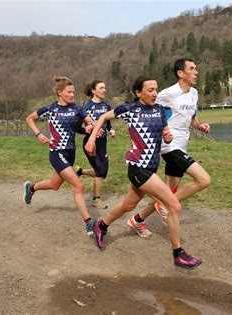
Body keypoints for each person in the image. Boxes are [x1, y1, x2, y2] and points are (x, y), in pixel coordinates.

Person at [85, 76, 202, 270]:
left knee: (128, 205)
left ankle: (101, 225)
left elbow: (165, 130)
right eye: (150, 90)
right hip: (138, 167)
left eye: (156, 89)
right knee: (173, 205)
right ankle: (178, 254)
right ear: (138, 92)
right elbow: (104, 117)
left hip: (151, 167)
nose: (155, 93)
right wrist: (91, 140)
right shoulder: (130, 109)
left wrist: (168, 134)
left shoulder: (158, 110)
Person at [129, 58, 211, 236]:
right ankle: (165, 204)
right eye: (191, 68)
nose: (196, 72)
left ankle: (138, 220)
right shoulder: (167, 93)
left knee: (166, 191)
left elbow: (193, 119)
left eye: (196, 68)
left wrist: (200, 125)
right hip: (169, 145)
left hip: (182, 145)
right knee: (203, 180)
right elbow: (145, 102)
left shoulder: (194, 93)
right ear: (181, 73)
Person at [23, 76, 98, 236]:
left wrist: (91, 126)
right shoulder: (50, 109)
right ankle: (89, 222)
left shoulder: (76, 109)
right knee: (78, 186)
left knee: (54, 185)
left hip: (70, 153)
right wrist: (38, 134)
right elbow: (29, 119)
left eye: (73, 92)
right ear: (59, 92)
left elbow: (89, 121)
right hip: (57, 153)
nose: (72, 95)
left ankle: (31, 188)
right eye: (69, 92)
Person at [74, 80, 115, 210]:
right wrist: (88, 129)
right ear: (93, 91)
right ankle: (96, 199)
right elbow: (76, 127)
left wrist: (111, 130)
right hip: (90, 144)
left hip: (103, 143)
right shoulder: (85, 108)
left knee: (104, 172)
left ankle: (80, 171)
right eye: (101, 88)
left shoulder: (106, 106)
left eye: (105, 87)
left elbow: (107, 122)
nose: (104, 90)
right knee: (100, 170)